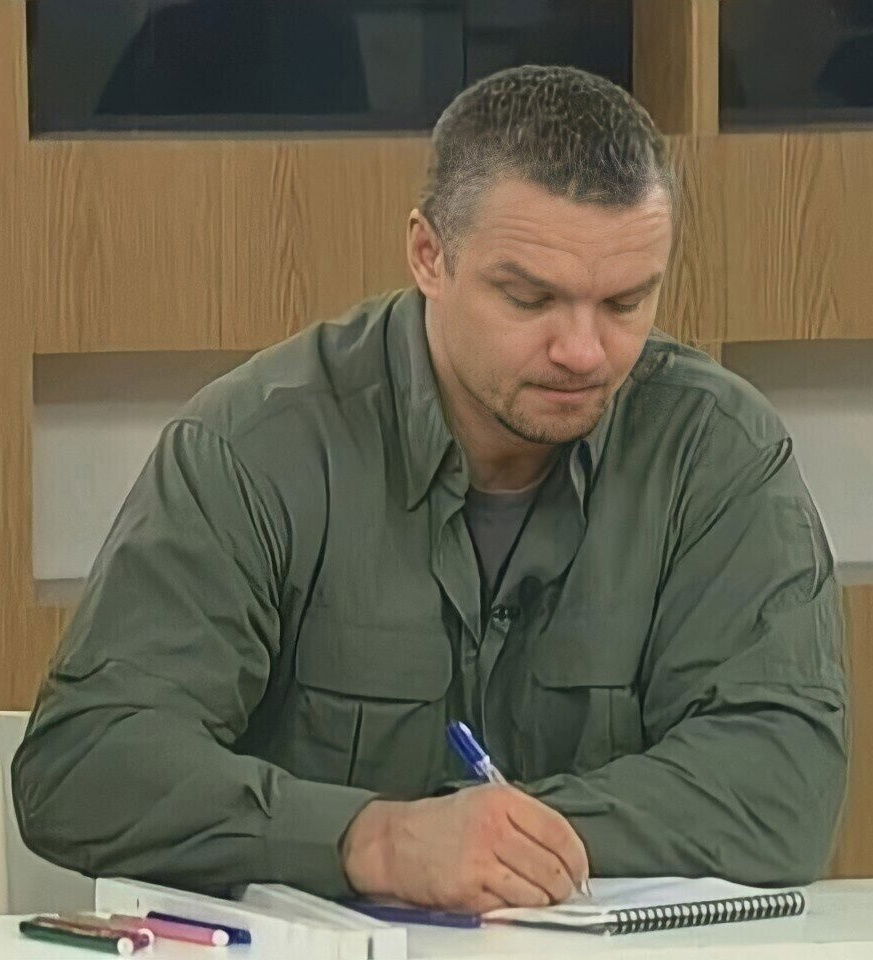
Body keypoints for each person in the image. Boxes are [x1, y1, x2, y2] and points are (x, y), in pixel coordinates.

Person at [13, 65, 847, 914]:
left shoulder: (715, 452)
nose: (583, 351)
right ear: (429, 255)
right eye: (529, 298)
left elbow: (781, 784)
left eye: (626, 303)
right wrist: (373, 840)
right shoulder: (254, 448)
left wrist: (495, 840)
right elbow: (84, 766)